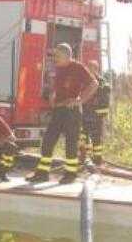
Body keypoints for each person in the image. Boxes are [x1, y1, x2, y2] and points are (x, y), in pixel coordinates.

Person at [26, 43, 98, 184]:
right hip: (58, 110)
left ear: (66, 55)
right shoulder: (58, 68)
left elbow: (94, 84)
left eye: (57, 56)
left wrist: (80, 100)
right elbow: (57, 87)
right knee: (48, 141)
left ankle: (70, 175)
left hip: (72, 111)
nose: (55, 58)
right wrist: (53, 94)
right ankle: (42, 173)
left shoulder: (78, 68)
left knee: (71, 143)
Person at [81, 60, 111, 166]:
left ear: (96, 69)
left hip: (96, 114)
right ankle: (85, 157)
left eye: (91, 68)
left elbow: (105, 100)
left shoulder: (102, 83)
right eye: (88, 68)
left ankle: (97, 159)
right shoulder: (85, 81)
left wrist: (101, 115)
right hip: (85, 113)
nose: (89, 70)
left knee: (96, 137)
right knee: (83, 137)